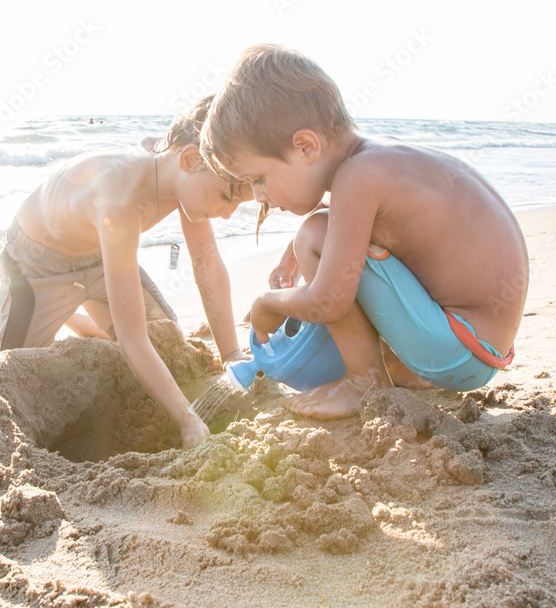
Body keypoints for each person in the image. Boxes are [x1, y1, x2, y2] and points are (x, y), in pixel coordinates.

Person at [201, 44, 529, 420]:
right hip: (479, 343)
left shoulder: (356, 178)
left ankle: (365, 384)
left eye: (258, 179)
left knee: (314, 238)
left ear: (306, 146)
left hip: (454, 347)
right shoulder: (375, 160)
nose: (259, 196)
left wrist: (266, 304)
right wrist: (290, 253)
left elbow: (328, 301)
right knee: (324, 242)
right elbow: (363, 221)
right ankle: (401, 370)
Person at [0, 96, 253, 448]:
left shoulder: (182, 178)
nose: (228, 213)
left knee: (167, 342)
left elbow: (207, 262)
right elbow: (132, 336)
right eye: (228, 197)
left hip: (102, 258)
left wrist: (231, 355)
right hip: (38, 265)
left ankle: (72, 313)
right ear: (190, 159)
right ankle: (14, 317)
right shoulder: (120, 196)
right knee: (15, 376)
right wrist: (187, 420)